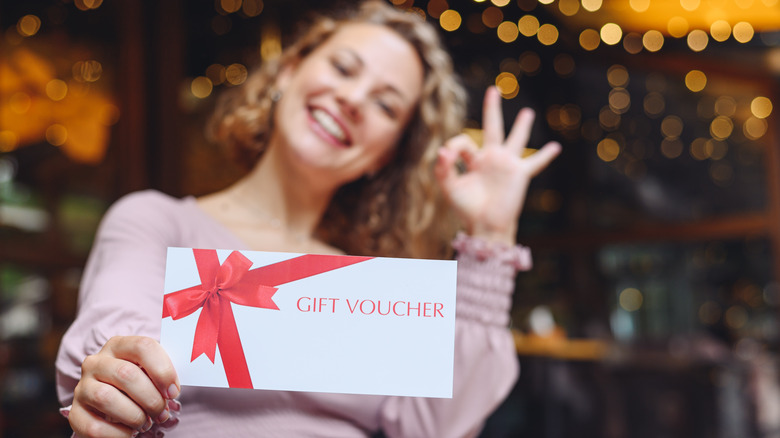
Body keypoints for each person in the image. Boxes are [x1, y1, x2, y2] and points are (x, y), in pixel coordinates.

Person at [55, 1, 561, 437]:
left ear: (385, 155)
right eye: (343, 68)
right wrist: (117, 372)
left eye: (386, 105)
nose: (354, 99)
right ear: (289, 70)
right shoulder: (157, 222)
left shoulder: (375, 286)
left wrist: (492, 232)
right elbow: (115, 346)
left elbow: (436, 425)